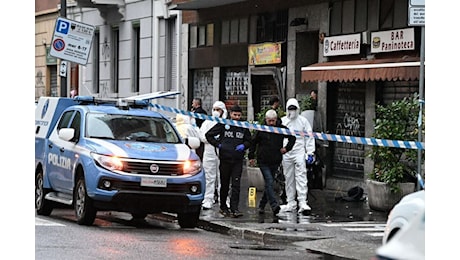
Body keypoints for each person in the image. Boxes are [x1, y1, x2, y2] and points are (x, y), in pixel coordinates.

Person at [206, 104, 252, 218]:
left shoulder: (243, 126)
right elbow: (209, 135)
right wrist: (218, 144)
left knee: (236, 185)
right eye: (234, 115)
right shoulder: (223, 124)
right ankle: (223, 207)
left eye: (239, 115)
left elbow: (249, 140)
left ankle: (234, 208)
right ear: (230, 114)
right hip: (225, 159)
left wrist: (244, 145)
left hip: (237, 160)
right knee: (225, 184)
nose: (236, 117)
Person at [248, 109, 296, 217]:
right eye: (269, 121)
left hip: (275, 160)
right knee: (269, 181)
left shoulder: (281, 129)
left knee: (269, 184)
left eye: (273, 121)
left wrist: (287, 148)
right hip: (263, 160)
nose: (271, 123)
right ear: (266, 120)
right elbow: (253, 142)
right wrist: (251, 156)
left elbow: (292, 137)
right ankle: (274, 206)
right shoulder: (261, 129)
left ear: (276, 120)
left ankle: (262, 205)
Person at [279, 98, 316, 215]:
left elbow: (309, 137)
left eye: (294, 109)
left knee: (301, 177)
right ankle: (290, 201)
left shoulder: (303, 121)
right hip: (286, 152)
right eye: (290, 109)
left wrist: (310, 152)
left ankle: (302, 202)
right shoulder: (283, 121)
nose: (292, 111)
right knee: (288, 177)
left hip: (299, 151)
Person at [199, 101, 228, 210]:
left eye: (218, 110)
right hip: (209, 150)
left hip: (222, 152)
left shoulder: (226, 123)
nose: (216, 112)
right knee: (209, 176)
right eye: (214, 109)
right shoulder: (207, 122)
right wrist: (210, 140)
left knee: (223, 176)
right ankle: (208, 199)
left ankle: (224, 200)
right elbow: (201, 135)